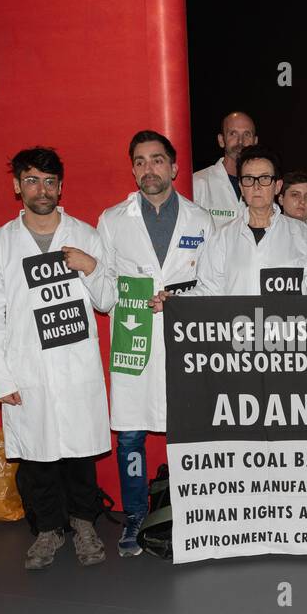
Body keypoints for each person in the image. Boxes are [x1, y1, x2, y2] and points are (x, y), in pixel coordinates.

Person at [0, 147, 112, 569]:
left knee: (78, 454)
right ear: (17, 186)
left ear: (60, 187)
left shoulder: (86, 235)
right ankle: (48, 530)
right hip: (27, 367)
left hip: (75, 366)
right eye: (32, 180)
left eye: (50, 181)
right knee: (37, 458)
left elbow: (108, 301)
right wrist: (1, 379)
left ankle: (84, 524)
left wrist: (91, 267)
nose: (42, 189)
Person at [97, 131, 211, 555]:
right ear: (132, 169)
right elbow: (105, 288)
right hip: (134, 335)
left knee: (188, 429)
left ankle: (192, 512)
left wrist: (181, 300)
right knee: (129, 435)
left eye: (157, 160)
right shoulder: (112, 219)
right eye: (141, 161)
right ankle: (134, 518)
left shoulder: (201, 219)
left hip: (185, 340)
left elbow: (213, 285)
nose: (149, 169)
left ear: (174, 167)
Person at [189, 145, 307, 296]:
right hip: (238, 319)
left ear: (277, 186)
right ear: (241, 186)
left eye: (265, 178)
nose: (256, 186)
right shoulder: (222, 238)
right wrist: (173, 302)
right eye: (248, 179)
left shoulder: (306, 237)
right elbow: (208, 290)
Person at [191, 111, 255, 225]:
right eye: (233, 134)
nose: (240, 141)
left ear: (255, 142)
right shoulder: (198, 184)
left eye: (247, 134)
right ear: (221, 140)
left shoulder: (264, 186)